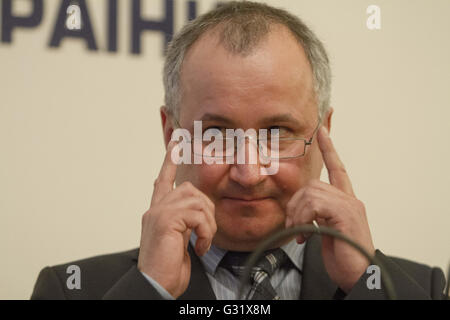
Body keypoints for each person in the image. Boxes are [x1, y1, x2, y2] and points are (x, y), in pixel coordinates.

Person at [31, 1, 446, 300]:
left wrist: (368, 284)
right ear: (171, 135)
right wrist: (149, 291)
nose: (249, 173)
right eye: (216, 135)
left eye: (277, 132)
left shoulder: (417, 288)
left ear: (325, 134)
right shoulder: (73, 289)